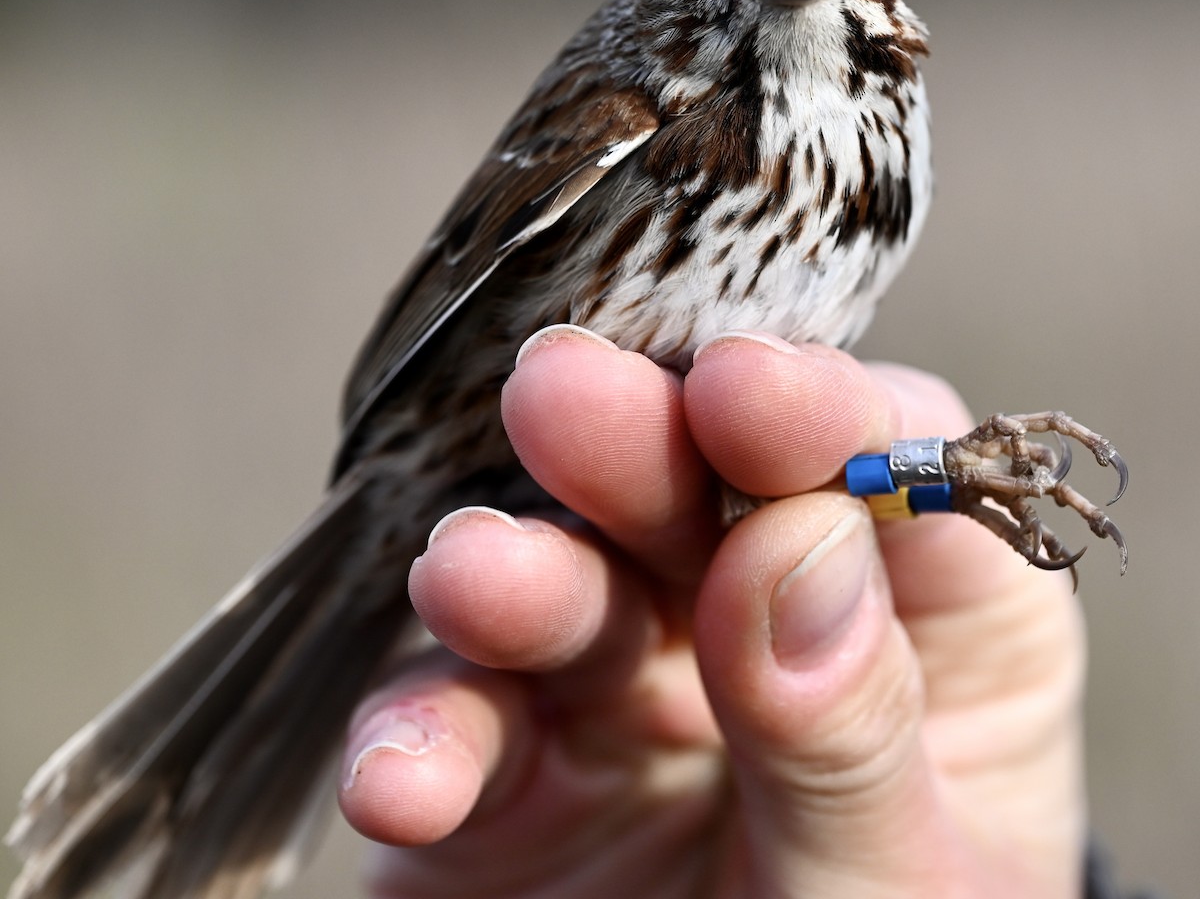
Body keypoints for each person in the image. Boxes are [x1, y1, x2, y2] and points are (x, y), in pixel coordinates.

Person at [336, 326, 1144, 898]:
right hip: (507, 454)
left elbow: (779, 493)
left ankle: (937, 474)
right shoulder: (635, 112)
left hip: (655, 514)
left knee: (770, 471)